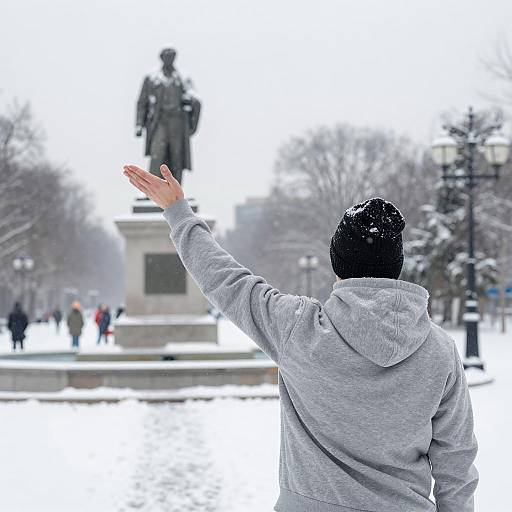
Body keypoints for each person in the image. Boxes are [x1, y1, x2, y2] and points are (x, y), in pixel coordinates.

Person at [123, 164, 478, 512]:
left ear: (337, 264)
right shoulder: (439, 351)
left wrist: (178, 213)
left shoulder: (299, 329)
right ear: (396, 265)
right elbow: (456, 464)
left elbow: (225, 280)